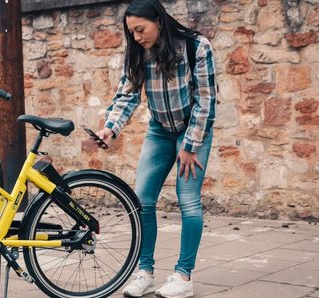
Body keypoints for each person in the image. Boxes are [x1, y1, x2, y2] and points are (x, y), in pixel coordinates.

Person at [91, 0, 217, 297]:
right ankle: (144, 272)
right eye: (131, 32)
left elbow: (207, 99)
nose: (136, 37)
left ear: (158, 21)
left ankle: (183, 277)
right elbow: (127, 95)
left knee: (188, 200)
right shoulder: (138, 52)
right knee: (142, 200)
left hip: (193, 129)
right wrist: (110, 128)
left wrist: (190, 145)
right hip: (160, 129)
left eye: (140, 30)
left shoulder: (195, 46)